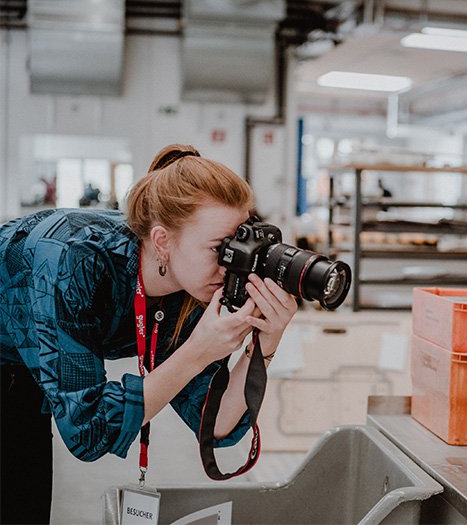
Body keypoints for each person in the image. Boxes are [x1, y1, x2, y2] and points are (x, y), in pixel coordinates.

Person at [0, 144, 298, 524]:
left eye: (238, 246)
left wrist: (265, 344)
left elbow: (217, 422)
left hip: (22, 373)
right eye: (219, 249)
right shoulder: (73, 261)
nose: (231, 265)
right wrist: (196, 353)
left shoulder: (191, 288)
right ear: (162, 241)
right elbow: (88, 431)